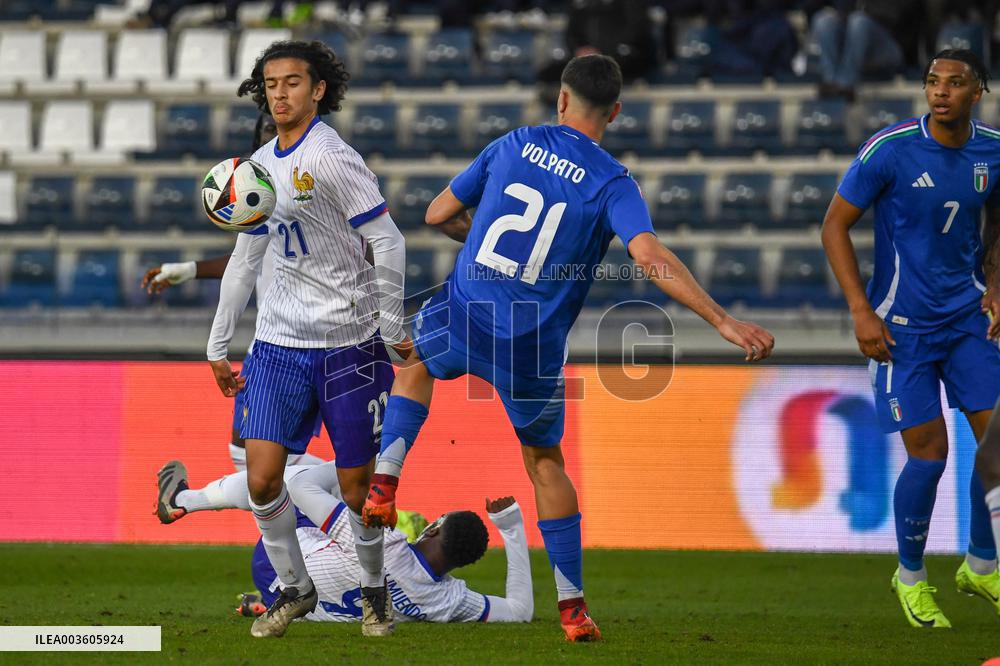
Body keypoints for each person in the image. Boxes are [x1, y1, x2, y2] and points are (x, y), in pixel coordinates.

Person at [361, 54, 776, 642]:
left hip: (466, 312)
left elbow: (436, 214)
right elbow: (649, 257)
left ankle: (386, 482)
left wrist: (476, 233)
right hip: (531, 344)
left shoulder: (514, 142)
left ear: (560, 99)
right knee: (545, 464)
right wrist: (723, 320)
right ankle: (573, 608)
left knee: (414, 362)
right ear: (615, 112)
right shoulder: (614, 183)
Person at [207, 39, 409, 638]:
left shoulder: (333, 158)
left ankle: (374, 594)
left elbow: (390, 241)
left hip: (350, 345)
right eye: (270, 84)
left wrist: (393, 324)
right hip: (276, 347)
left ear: (318, 90)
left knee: (355, 491)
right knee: (263, 479)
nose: (279, 94)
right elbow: (245, 261)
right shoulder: (258, 167)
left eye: (292, 82)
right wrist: (218, 346)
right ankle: (296, 589)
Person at [821, 49, 1000, 628]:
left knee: (996, 443)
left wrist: (995, 286)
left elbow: (998, 225)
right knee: (931, 455)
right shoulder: (890, 148)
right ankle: (911, 575)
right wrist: (860, 310)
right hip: (903, 329)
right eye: (932, 82)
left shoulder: (993, 151)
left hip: (969, 320)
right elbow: (834, 225)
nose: (940, 91)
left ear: (978, 92)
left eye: (955, 83)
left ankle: (980, 563)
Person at [141, 114, 329, 474]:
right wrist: (189, 270)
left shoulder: (316, 186)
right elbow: (246, 259)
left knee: (261, 460)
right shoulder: (262, 203)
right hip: (275, 341)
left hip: (319, 339)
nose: (278, 135)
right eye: (269, 131)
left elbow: (361, 245)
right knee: (255, 457)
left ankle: (191, 501)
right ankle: (324, 521)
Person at [156, 459, 533, 624]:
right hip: (300, 607)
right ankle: (263, 603)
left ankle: (184, 501)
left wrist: (360, 467)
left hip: (276, 564)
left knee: (297, 478)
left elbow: (303, 488)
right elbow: (520, 611)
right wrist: (512, 526)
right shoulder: (448, 601)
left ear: (433, 529)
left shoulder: (384, 544)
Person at [810, 0, 922, 101]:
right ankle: (831, 82)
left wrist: (862, 10)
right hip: (855, 44)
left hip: (891, 47)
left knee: (859, 20)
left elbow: (894, 16)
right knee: (823, 20)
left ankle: (845, 85)